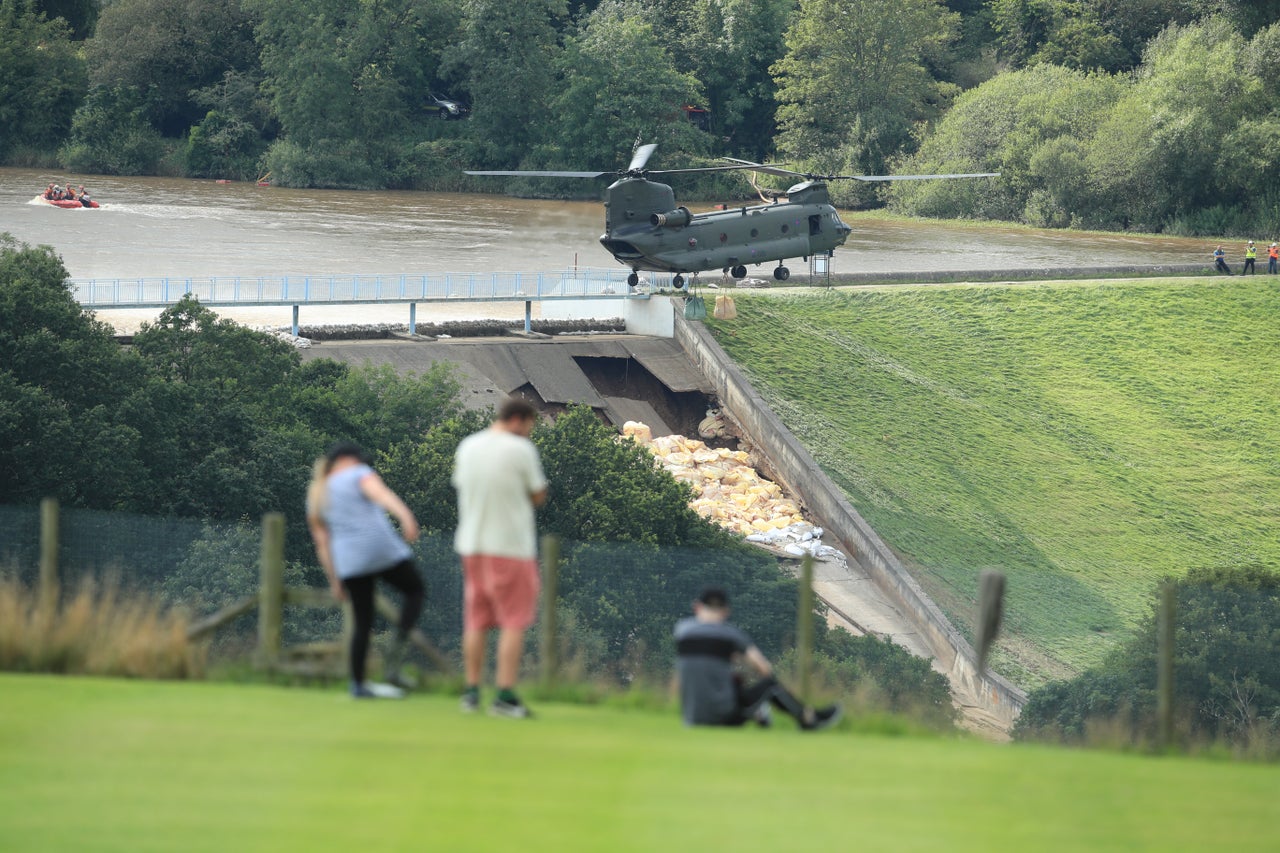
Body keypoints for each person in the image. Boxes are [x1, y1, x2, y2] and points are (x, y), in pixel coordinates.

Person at [452, 397, 547, 718]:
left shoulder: (468, 446)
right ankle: (505, 694)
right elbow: (537, 494)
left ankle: (471, 691)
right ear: (519, 420)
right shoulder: (520, 449)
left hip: (471, 545)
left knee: (476, 619)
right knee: (513, 620)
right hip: (509, 546)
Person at [307, 442, 426, 699]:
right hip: (380, 548)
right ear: (349, 460)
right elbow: (382, 495)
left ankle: (358, 685)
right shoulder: (358, 472)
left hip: (349, 561)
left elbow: (322, 544)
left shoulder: (318, 493)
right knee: (415, 590)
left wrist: (335, 581)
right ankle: (394, 659)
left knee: (362, 623)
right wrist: (406, 517)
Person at [674, 586, 842, 731]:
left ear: (697, 607)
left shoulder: (682, 631)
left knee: (733, 679)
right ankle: (808, 718)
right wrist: (737, 659)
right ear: (726, 611)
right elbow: (764, 669)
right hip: (724, 717)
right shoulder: (731, 635)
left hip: (692, 718)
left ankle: (759, 712)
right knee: (769, 685)